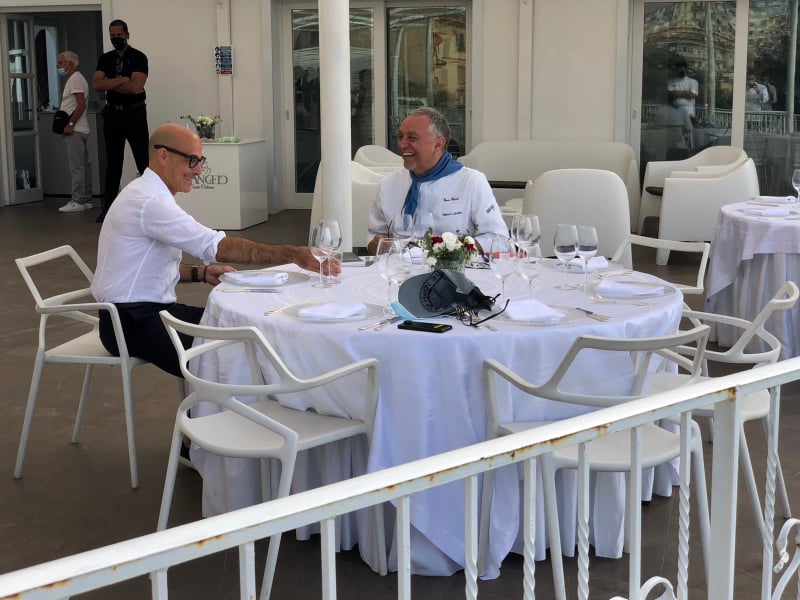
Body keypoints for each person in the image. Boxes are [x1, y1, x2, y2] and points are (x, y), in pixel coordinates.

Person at [91, 123, 330, 378]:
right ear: (163, 156)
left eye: (200, 161)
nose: (198, 170)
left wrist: (201, 273)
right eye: (192, 160)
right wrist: (294, 254)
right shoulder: (150, 201)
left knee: (243, 330)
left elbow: (143, 268)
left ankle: (232, 398)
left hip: (138, 314)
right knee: (240, 351)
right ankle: (224, 401)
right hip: (131, 323)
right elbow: (219, 247)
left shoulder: (144, 191)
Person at [367, 107, 507, 254]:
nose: (402, 145)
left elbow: (500, 240)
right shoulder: (388, 185)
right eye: (400, 137)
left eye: (412, 138)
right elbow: (373, 237)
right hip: (400, 267)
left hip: (453, 268)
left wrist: (453, 250)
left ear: (438, 144)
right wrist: (376, 244)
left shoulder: (471, 182)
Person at [93, 19, 149, 223]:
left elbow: (136, 87)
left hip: (134, 114)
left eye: (119, 35)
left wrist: (110, 83)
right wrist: (123, 79)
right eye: (112, 35)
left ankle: (151, 206)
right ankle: (108, 209)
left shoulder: (138, 57)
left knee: (144, 162)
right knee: (113, 164)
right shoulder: (105, 59)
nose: (115, 38)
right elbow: (97, 84)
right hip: (113, 114)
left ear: (127, 35)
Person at [56, 51, 93, 213]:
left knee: (76, 167)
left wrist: (70, 124)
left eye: (60, 63)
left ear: (70, 63)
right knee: (83, 166)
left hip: (76, 130)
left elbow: (81, 104)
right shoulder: (77, 78)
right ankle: (86, 199)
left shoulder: (75, 79)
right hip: (80, 128)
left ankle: (78, 200)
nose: (57, 66)